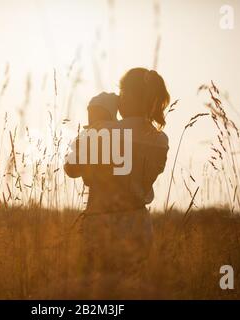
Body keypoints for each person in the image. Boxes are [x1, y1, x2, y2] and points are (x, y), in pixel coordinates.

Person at [64, 68, 170, 297]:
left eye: (122, 91)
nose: (119, 96)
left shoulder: (105, 130)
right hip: (140, 226)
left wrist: (99, 116)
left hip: (102, 226)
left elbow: (71, 168)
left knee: (99, 295)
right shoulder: (161, 140)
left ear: (132, 96)